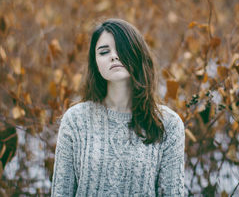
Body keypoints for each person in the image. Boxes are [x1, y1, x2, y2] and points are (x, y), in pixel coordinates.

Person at [51, 18, 185, 196]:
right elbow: (61, 192)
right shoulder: (75, 120)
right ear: (95, 63)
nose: (114, 56)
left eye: (121, 49)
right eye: (104, 52)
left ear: (137, 54)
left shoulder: (168, 124)